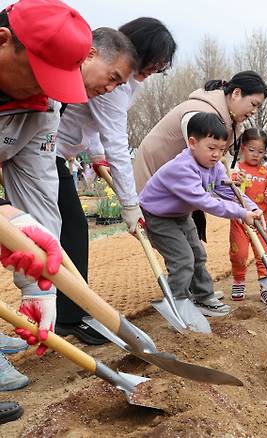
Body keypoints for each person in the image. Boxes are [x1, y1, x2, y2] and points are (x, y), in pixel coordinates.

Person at [0, 0, 90, 415]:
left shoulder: (43, 106)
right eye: (40, 75)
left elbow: (38, 196)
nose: (45, 89)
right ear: (3, 42)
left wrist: (40, 288)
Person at [53, 26, 137, 345]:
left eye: (120, 83)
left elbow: (86, 127)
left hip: (45, 156)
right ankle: (69, 314)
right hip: (43, 157)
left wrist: (96, 154)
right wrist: (129, 203)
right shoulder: (53, 80)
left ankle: (68, 312)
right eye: (113, 77)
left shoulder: (76, 90)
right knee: (70, 228)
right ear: (91, 54)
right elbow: (113, 137)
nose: (112, 87)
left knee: (63, 231)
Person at [139, 112, 262, 317]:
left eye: (221, 149)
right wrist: (240, 213)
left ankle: (203, 296)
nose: (216, 154)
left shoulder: (214, 166)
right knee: (183, 259)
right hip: (158, 217)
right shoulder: (182, 168)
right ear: (193, 143)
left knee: (198, 253)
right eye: (211, 148)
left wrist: (250, 208)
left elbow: (229, 191)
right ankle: (178, 302)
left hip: (180, 214)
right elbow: (206, 202)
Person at [133, 71, 267, 242]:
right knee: (176, 246)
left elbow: (219, 177)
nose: (254, 111)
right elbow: (203, 173)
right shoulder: (200, 114)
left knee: (192, 247)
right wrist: (239, 209)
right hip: (156, 176)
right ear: (236, 93)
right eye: (253, 104)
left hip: (184, 186)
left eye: (258, 107)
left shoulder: (230, 122)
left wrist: (249, 206)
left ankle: (192, 266)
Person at [229, 129, 267, 303]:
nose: (255, 155)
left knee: (264, 254)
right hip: (240, 222)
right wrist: (235, 179)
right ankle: (238, 280)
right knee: (239, 254)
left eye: (260, 152)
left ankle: (266, 286)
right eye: (251, 150)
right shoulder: (236, 170)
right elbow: (227, 188)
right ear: (243, 148)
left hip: (261, 223)